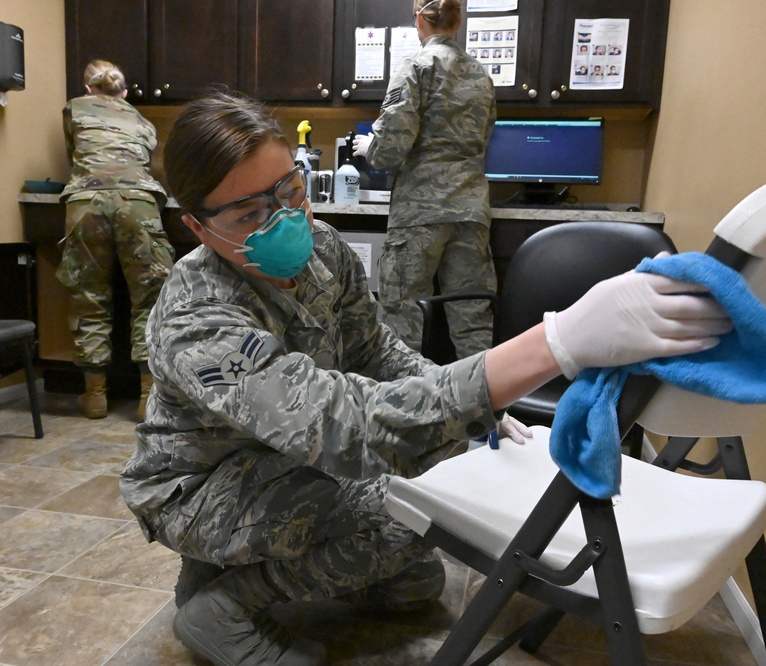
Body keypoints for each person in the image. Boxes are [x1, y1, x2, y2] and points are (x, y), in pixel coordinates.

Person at [119, 90, 733, 665]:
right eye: (251, 213)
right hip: (201, 487)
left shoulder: (324, 249)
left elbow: (376, 350)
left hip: (284, 459)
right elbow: (344, 424)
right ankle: (222, 607)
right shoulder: (197, 317)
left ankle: (232, 568)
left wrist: (477, 404)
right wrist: (553, 345)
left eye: (290, 190)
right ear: (197, 228)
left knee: (417, 576)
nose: (284, 219)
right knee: (406, 512)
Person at [352, 0, 497, 359]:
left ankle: (404, 408)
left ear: (418, 18)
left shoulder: (416, 66)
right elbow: (486, 135)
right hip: (470, 211)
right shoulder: (481, 74)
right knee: (472, 316)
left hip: (420, 213)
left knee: (402, 314)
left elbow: (390, 149)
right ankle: (486, 409)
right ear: (458, 20)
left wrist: (371, 145)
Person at [57, 60, 174, 421]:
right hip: (138, 203)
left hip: (85, 203)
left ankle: (94, 397)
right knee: (151, 298)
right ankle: (146, 397)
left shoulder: (74, 108)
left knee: (88, 296)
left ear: (88, 87)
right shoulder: (143, 121)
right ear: (124, 92)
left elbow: (73, 156)